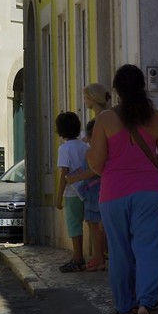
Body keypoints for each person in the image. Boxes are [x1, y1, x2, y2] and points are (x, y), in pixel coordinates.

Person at [89, 63, 158, 314]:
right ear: (142, 87)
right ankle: (146, 303)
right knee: (149, 249)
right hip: (149, 192)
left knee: (120, 252)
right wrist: (145, 167)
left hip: (113, 193)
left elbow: (96, 163)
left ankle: (124, 309)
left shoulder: (105, 120)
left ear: (116, 90)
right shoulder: (156, 118)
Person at [55, 111, 89, 272]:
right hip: (88, 189)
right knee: (93, 224)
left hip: (72, 191)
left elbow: (64, 173)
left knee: (75, 226)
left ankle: (77, 257)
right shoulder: (85, 145)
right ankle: (96, 256)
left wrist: (58, 196)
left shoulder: (64, 149)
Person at [80, 83, 109, 271]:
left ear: (92, 98)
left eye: (86, 97)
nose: (84, 100)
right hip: (101, 178)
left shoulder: (101, 120)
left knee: (99, 224)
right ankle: (99, 257)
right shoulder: (102, 118)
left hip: (102, 179)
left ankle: (100, 258)